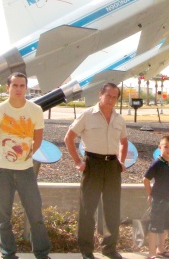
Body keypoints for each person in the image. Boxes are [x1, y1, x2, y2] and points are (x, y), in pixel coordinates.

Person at [0, 72, 51, 259]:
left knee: (35, 214)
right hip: (2, 171)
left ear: (26, 88)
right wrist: (6, 158)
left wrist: (25, 156)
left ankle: (41, 253)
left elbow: (37, 140)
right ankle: (8, 253)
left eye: (22, 86)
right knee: (4, 216)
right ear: (8, 88)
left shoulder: (35, 110)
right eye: (15, 85)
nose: (18, 89)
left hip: (26, 171)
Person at [64, 83, 128, 259]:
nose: (111, 100)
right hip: (93, 164)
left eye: (115, 97)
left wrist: (121, 161)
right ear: (100, 94)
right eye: (108, 96)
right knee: (88, 209)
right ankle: (86, 250)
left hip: (112, 166)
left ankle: (109, 248)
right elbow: (68, 137)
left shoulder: (119, 119)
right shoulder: (87, 115)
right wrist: (78, 161)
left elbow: (124, 141)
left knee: (112, 209)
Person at [143, 135, 169, 259]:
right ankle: (151, 252)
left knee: (165, 226)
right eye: (166, 147)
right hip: (158, 199)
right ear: (160, 147)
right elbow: (146, 179)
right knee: (154, 226)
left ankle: (161, 248)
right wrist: (150, 195)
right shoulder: (157, 163)